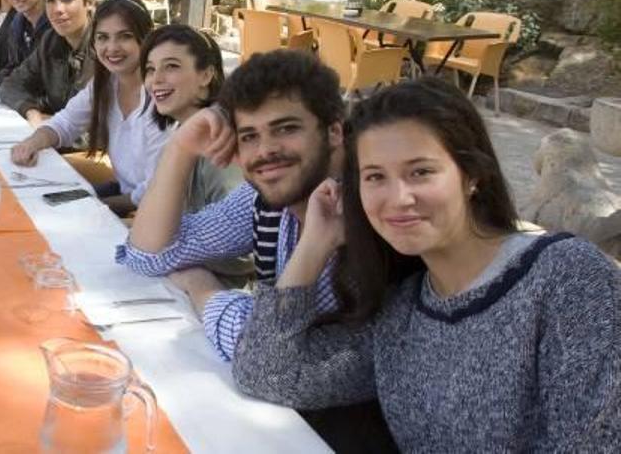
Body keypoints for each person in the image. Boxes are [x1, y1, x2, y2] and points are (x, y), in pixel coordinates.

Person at [233, 77, 621, 450]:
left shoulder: (567, 279)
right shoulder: (402, 313)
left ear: (472, 175)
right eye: (374, 177)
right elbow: (269, 372)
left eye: (420, 172)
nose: (398, 198)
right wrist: (316, 243)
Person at [115, 49, 345, 362]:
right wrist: (181, 148)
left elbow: (260, 352)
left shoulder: (358, 212)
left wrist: (202, 287)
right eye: (249, 136)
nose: (266, 150)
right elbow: (147, 256)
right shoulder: (267, 198)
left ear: (334, 131)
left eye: (286, 128)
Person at [8, 0, 165, 213]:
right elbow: (66, 122)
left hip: (153, 209)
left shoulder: (162, 97)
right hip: (124, 190)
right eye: (102, 37)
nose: (112, 47)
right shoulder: (106, 84)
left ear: (146, 38)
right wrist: (33, 142)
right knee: (26, 199)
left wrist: (94, 206)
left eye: (125, 37)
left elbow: (155, 191)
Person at [141, 25, 244, 217]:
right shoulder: (184, 131)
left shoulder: (219, 140)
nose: (156, 79)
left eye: (171, 66)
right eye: (150, 69)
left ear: (206, 75)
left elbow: (233, 232)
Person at [0, 0, 94, 126]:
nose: (57, 9)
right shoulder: (51, 41)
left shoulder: (105, 48)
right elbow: (11, 84)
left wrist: (52, 126)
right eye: (50, 0)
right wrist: (31, 111)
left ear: (90, 3)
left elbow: (105, 125)